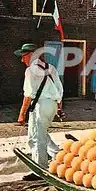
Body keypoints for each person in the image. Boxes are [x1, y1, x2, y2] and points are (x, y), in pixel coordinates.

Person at [15, 43, 64, 180]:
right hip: (52, 106)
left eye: (23, 56)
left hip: (40, 106)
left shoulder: (31, 70)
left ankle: (40, 170)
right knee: (40, 134)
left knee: (36, 138)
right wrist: (59, 109)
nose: (22, 60)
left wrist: (21, 114)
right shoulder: (51, 68)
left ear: (31, 55)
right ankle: (59, 156)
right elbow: (60, 90)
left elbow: (29, 94)